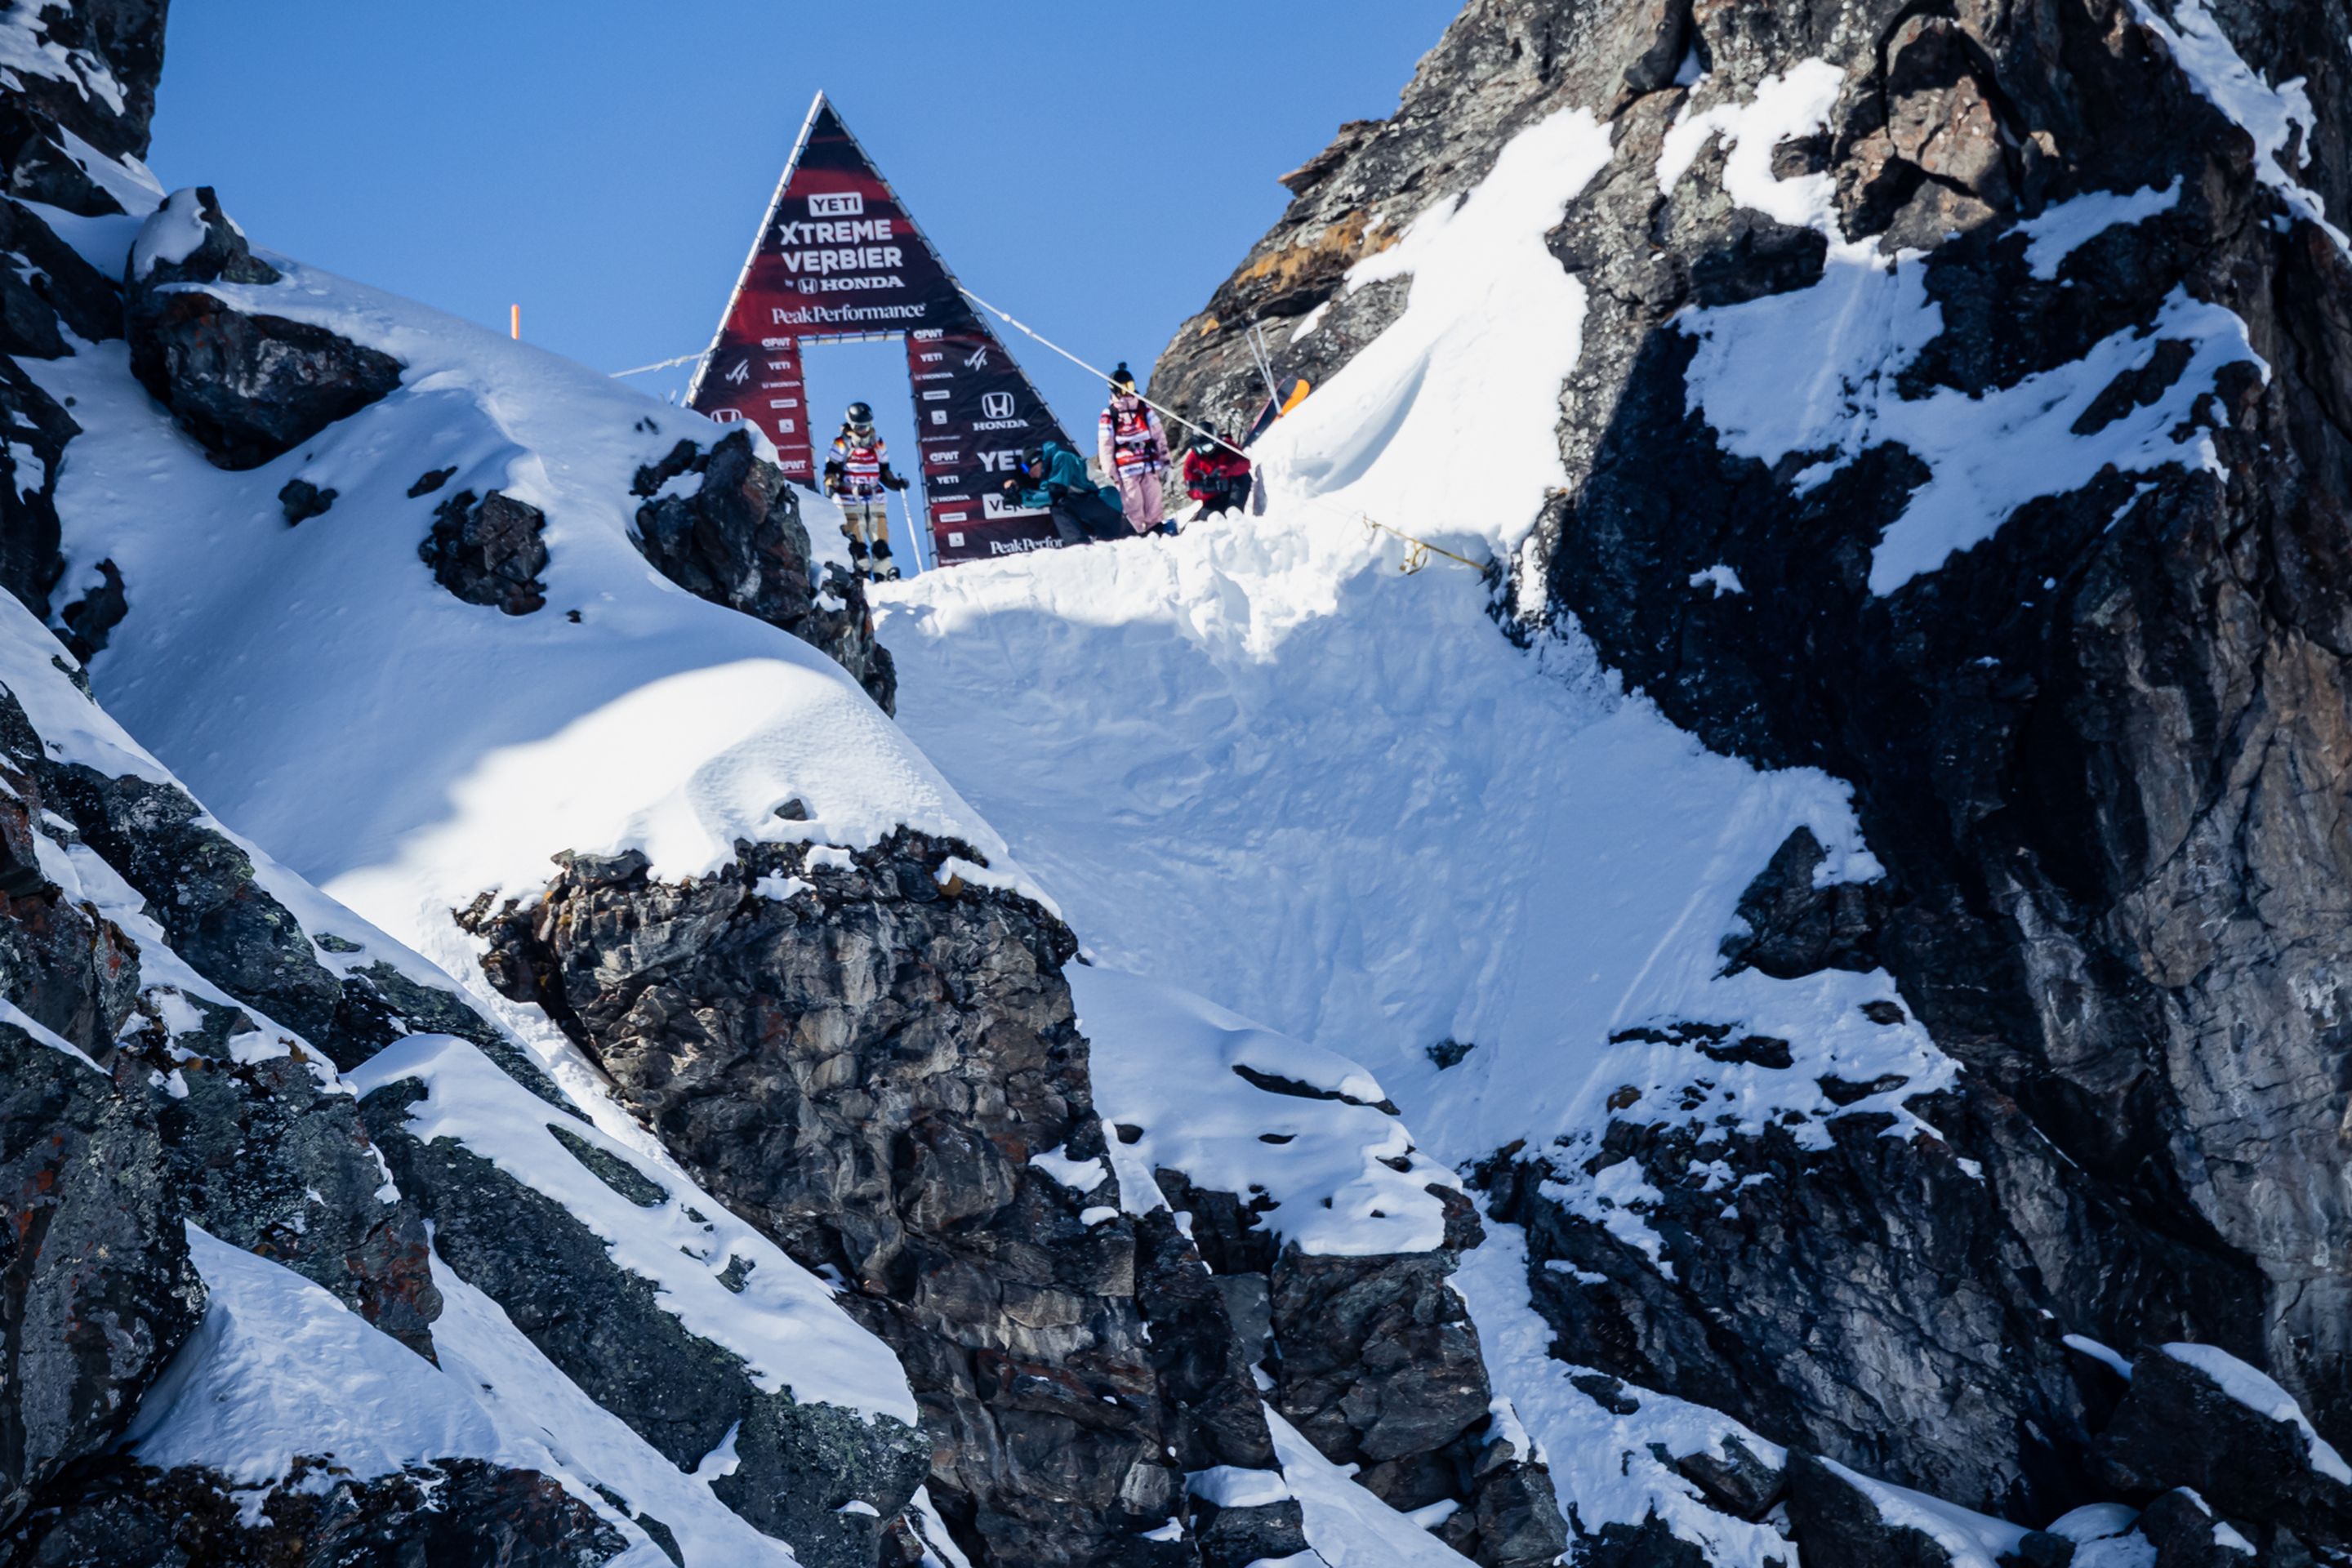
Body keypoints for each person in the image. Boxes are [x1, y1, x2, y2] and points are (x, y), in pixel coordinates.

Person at [822, 401, 911, 579]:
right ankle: (861, 571)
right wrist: (830, 483)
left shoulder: (877, 443)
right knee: (857, 541)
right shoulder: (842, 443)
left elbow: (884, 470)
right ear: (851, 425)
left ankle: (884, 571)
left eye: (866, 426)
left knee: (880, 539)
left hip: (874, 498)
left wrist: (895, 483)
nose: (863, 430)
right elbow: (832, 467)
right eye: (859, 426)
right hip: (850, 498)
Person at [1097, 363, 1171, 537]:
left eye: (1130, 387)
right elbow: (1105, 446)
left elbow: (1159, 436)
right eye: (1123, 389)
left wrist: (1167, 463)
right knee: (1133, 507)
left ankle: (1158, 532)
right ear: (1115, 391)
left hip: (1149, 464)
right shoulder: (1110, 415)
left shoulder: (1144, 409)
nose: (1127, 393)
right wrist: (1110, 475)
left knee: (1154, 504)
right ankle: (1136, 538)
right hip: (1127, 471)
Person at [1004, 440, 1125, 546]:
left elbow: (1055, 494)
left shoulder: (1061, 458)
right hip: (1104, 507)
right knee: (1110, 550)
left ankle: (1078, 545)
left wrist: (1022, 498)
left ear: (1038, 461)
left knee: (1060, 506)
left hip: (1105, 499)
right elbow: (1043, 498)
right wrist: (1020, 494)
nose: (1031, 475)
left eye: (1032, 470)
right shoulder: (1048, 477)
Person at [1181, 429, 1252, 519]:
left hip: (1234, 486)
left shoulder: (1225, 445)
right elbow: (1191, 490)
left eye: (1207, 448)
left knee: (1234, 511)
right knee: (1206, 522)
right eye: (1198, 449)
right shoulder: (1192, 460)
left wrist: (1226, 471)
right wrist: (1206, 489)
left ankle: (1236, 515)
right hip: (1213, 497)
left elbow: (1245, 463)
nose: (1203, 452)